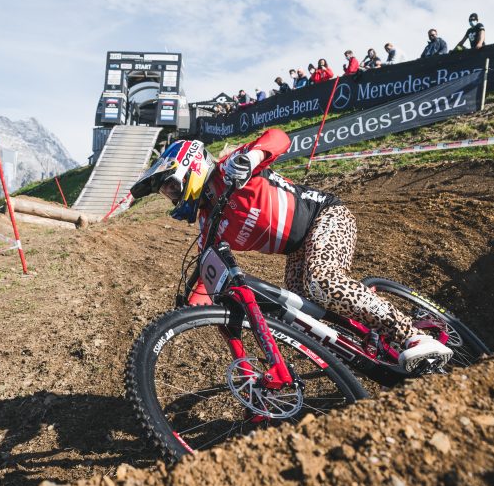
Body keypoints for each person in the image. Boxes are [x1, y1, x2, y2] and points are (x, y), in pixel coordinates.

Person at [129, 131, 454, 374]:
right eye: (166, 192)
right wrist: (187, 314)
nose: (172, 196)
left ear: (191, 166)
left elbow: (279, 138)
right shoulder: (206, 221)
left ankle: (410, 334)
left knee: (322, 281)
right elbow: (207, 274)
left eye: (171, 185)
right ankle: (370, 340)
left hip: (326, 217)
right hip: (297, 250)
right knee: (300, 316)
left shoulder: (229, 170)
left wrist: (252, 158)